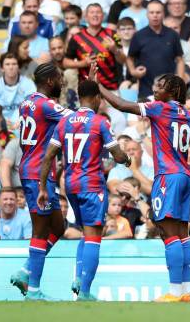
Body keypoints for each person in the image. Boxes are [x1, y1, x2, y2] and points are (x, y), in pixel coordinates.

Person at [95, 72, 190, 302]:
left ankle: (174, 293)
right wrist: (187, 174)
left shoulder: (160, 108)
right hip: (184, 175)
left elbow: (123, 104)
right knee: (183, 234)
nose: (156, 89)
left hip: (168, 176)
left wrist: (99, 85)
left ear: (173, 91)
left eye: (161, 85)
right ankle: (185, 291)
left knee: (167, 232)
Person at [39, 79, 130, 301]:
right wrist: (126, 158)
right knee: (93, 237)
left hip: (71, 185)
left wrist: (43, 186)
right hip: (92, 185)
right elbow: (117, 156)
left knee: (85, 232)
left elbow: (49, 155)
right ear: (98, 98)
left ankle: (79, 278)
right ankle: (85, 291)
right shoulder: (99, 122)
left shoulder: (65, 122)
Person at [7, 63, 72, 299]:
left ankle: (25, 270)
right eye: (60, 78)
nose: (62, 83)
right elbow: (78, 120)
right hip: (38, 173)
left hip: (31, 167)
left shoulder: (27, 103)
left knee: (58, 227)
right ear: (50, 82)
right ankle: (33, 291)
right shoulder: (47, 105)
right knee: (41, 231)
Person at [127, 0, 185, 98]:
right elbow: (130, 58)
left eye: (158, 12)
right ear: (147, 14)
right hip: (146, 91)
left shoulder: (172, 35)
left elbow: (180, 60)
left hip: (169, 91)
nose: (155, 15)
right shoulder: (138, 36)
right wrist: (133, 72)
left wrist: (179, 80)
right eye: (152, 12)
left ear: (163, 14)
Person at [0, 53, 37, 127]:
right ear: (2, 68)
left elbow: (33, 106)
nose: (11, 67)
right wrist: (1, 122)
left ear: (18, 67)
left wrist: (23, 119)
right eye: (7, 64)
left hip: (23, 125)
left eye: (14, 64)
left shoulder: (28, 84)